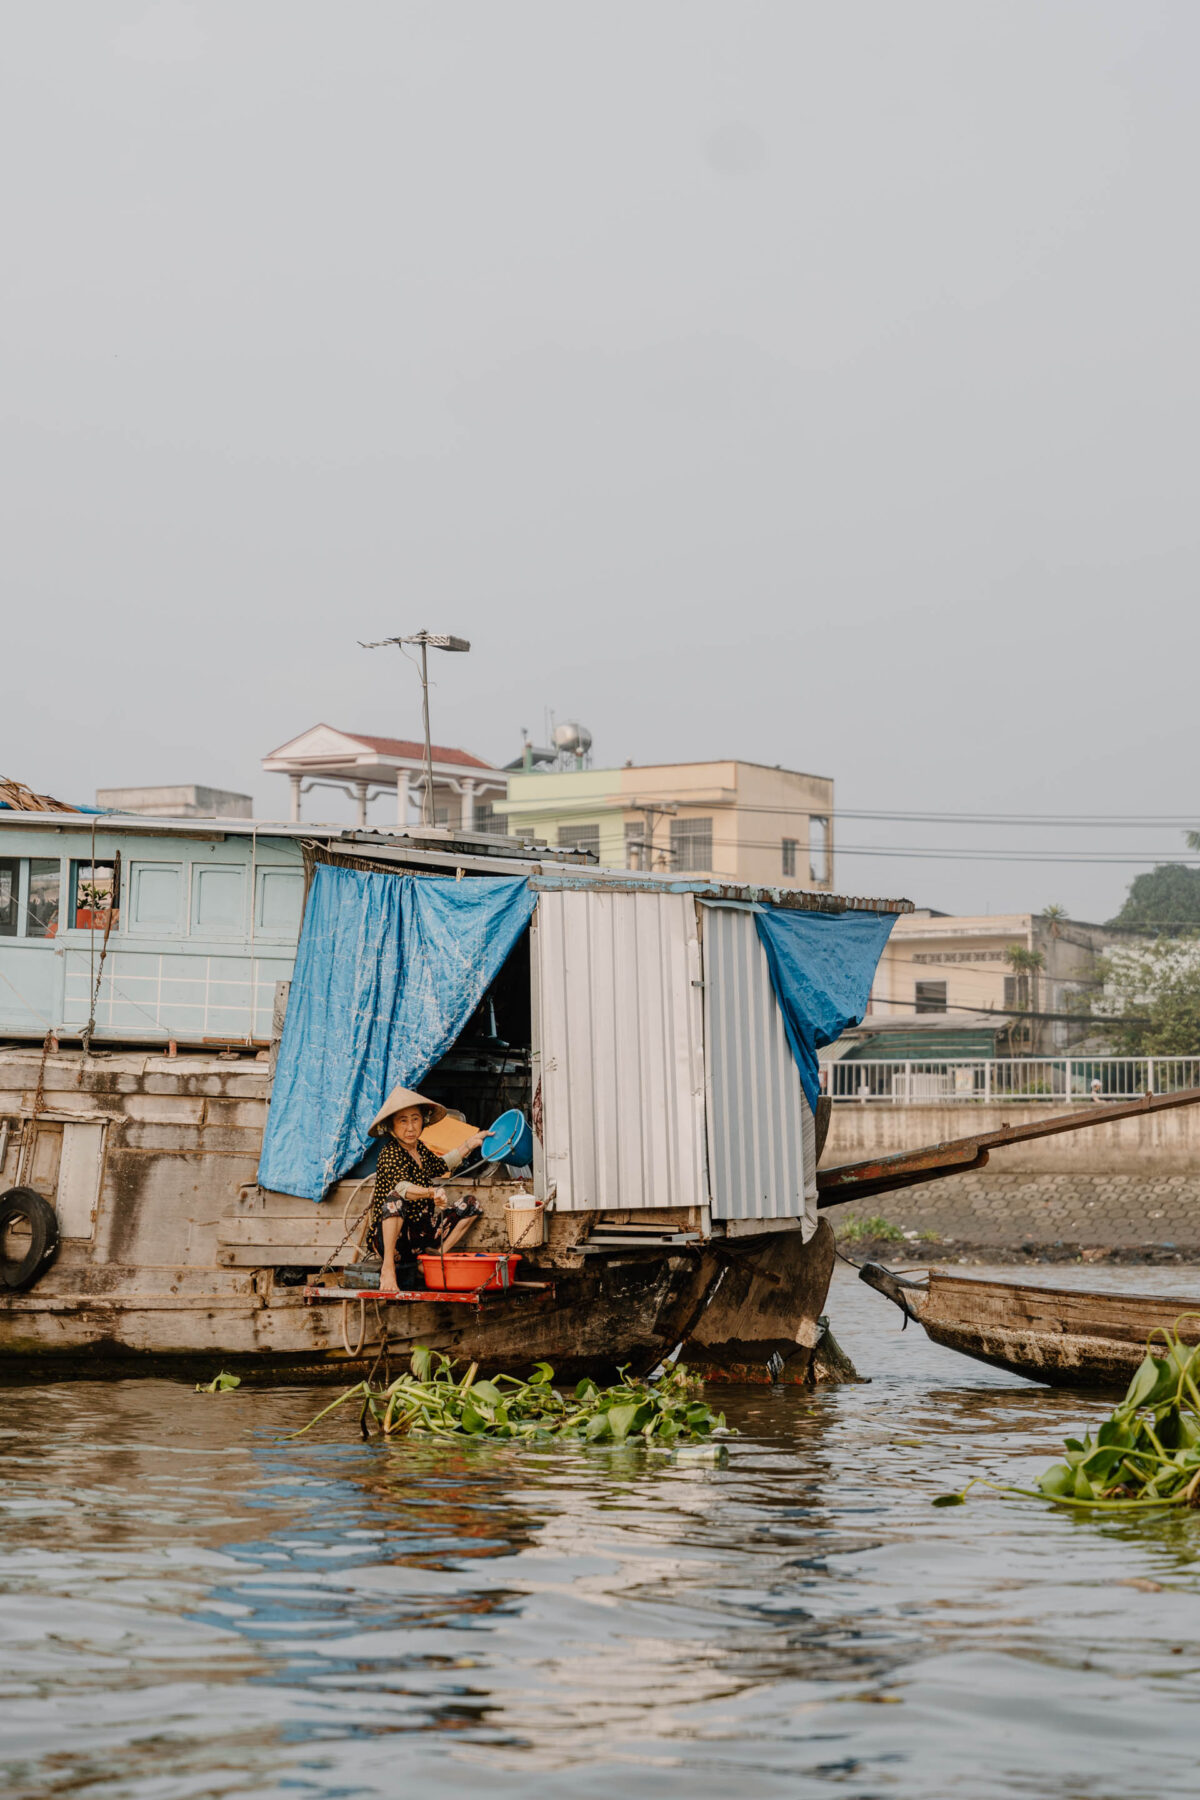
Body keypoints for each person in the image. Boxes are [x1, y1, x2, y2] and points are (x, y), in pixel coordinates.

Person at [366, 1086, 486, 1292]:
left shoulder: (419, 1148)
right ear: (391, 1126)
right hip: (394, 1241)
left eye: (415, 1119)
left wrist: (471, 1144)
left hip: (420, 1234)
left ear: (423, 1121)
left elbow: (442, 1164)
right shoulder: (390, 1153)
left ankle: (431, 1261)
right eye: (403, 1120)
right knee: (395, 1199)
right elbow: (403, 1189)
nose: (410, 1127)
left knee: (471, 1204)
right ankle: (388, 1269)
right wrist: (431, 1193)